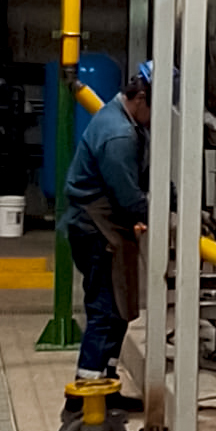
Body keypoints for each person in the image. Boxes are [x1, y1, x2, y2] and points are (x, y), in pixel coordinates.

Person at [64, 63, 151, 378]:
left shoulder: (126, 121)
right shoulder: (119, 134)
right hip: (96, 229)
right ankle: (87, 392)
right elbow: (128, 198)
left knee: (118, 310)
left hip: (103, 225)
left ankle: (107, 381)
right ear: (140, 98)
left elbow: (146, 174)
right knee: (105, 309)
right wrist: (166, 217)